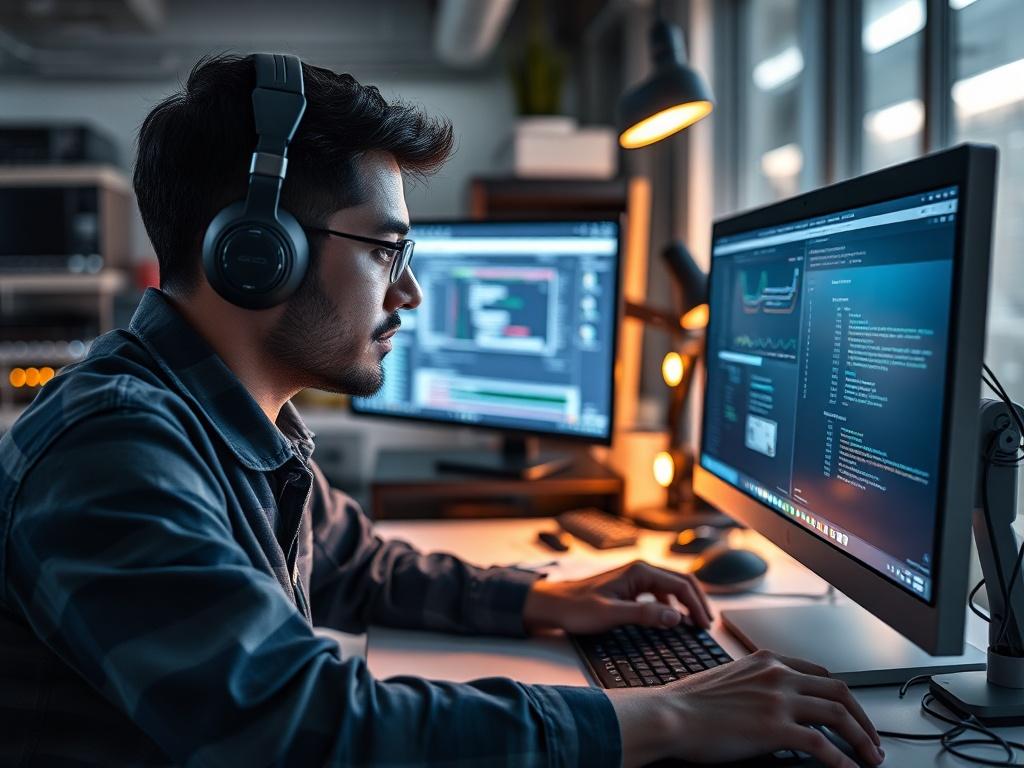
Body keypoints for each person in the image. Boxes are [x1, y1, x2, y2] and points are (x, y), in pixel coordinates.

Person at [0, 54, 883, 768]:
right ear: (258, 251)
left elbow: (358, 565)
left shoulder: (224, 418)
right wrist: (668, 717)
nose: (411, 292)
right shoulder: (112, 454)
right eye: (386, 250)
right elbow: (310, 732)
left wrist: (548, 598)